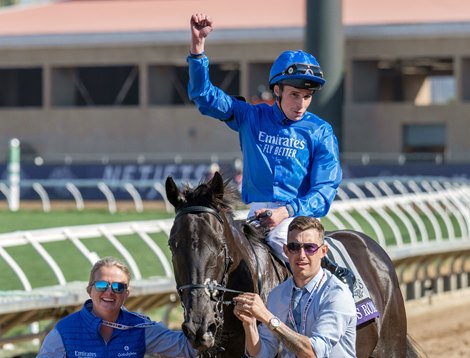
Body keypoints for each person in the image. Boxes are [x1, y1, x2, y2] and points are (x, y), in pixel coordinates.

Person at [188, 13, 354, 288]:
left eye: (307, 96)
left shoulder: (320, 131)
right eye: (294, 95)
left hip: (298, 222)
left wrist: (286, 212)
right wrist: (198, 49)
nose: (301, 104)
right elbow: (204, 97)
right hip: (255, 216)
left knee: (283, 245)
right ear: (277, 90)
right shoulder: (251, 117)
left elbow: (325, 190)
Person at [233, 216, 356, 358]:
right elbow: (263, 354)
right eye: (294, 247)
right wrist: (250, 325)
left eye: (310, 248)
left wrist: (267, 317)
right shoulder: (277, 294)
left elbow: (313, 353)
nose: (301, 255)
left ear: (323, 251)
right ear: (286, 250)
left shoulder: (336, 294)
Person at [37, 256, 197, 357]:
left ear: (126, 293)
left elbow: (188, 348)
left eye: (118, 287)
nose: (109, 292)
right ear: (89, 290)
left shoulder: (140, 328)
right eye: (101, 285)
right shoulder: (65, 330)